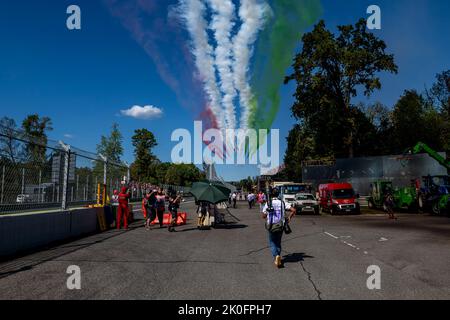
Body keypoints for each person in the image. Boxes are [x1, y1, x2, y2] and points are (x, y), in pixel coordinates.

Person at [262, 187, 296, 268]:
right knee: (278, 242)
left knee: (272, 242)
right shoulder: (282, 202)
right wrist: (289, 218)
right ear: (278, 194)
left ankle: (276, 256)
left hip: (271, 225)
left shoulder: (268, 203)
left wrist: (268, 213)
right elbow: (293, 210)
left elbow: (263, 216)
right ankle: (278, 256)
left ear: (271, 194)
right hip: (281, 225)